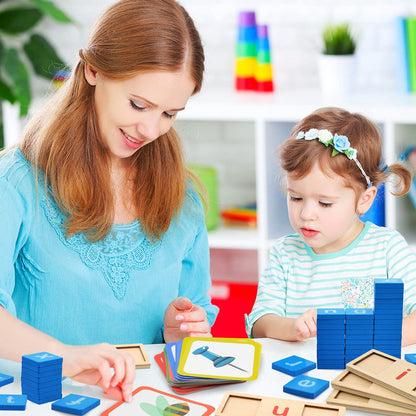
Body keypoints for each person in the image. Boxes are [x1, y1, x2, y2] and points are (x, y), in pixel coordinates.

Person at [0, 0, 218, 403]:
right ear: (93, 70)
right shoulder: (17, 181)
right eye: (139, 104)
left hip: (142, 402)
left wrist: (179, 330)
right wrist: (67, 358)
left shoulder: (182, 197)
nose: (151, 129)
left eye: (170, 113)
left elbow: (195, 314)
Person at [246, 107, 416, 346]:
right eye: (295, 198)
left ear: (364, 200)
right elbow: (259, 323)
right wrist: (292, 327)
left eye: (324, 203)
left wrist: (372, 337)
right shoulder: (285, 254)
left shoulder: (387, 249)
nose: (306, 214)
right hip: (300, 377)